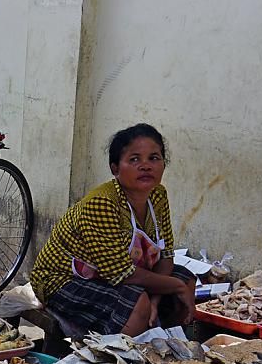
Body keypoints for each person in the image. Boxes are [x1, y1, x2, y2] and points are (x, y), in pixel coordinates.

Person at [30, 123, 196, 337]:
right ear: (115, 168)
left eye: (154, 158)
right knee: (137, 303)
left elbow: (165, 255)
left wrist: (159, 296)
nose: (146, 166)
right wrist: (170, 288)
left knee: (186, 280)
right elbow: (122, 274)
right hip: (64, 279)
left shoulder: (158, 195)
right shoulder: (102, 203)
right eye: (134, 159)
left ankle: (165, 345)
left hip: (117, 273)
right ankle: (117, 354)